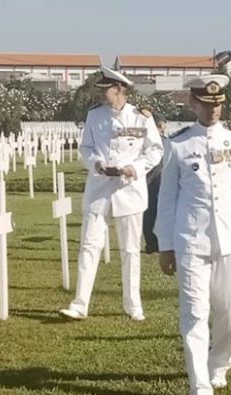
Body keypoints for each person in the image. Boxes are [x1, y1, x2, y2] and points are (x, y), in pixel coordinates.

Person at [155, 74, 231, 395]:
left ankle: (219, 365)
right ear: (193, 103)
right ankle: (199, 388)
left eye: (218, 104)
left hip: (229, 239)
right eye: (206, 103)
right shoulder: (178, 144)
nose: (213, 110)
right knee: (194, 315)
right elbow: (167, 197)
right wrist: (165, 244)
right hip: (191, 240)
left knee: (228, 315)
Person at [59, 66, 163, 321]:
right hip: (100, 187)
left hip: (129, 188)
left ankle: (133, 304)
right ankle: (80, 303)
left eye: (106, 89)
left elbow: (155, 150)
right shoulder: (95, 115)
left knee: (130, 249)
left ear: (119, 90)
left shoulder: (141, 117)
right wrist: (95, 162)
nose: (102, 94)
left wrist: (135, 168)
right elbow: (86, 147)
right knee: (89, 245)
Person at [142, 113, 168, 254]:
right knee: (153, 213)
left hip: (152, 180)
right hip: (156, 179)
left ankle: (152, 243)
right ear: (160, 125)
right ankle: (155, 243)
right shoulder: (162, 141)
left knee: (150, 213)